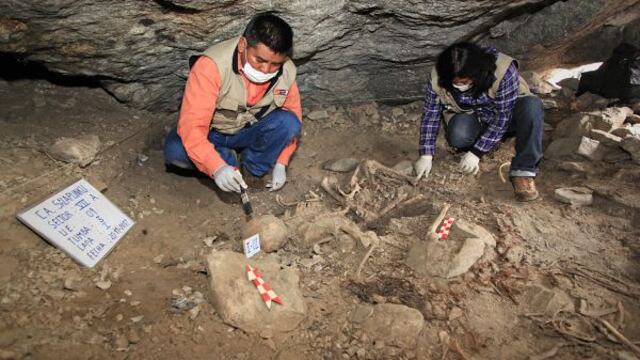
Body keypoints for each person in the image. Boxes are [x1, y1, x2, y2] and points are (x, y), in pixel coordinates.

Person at [164, 13, 302, 193]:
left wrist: (282, 162)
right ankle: (223, 160)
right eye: (259, 60)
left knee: (288, 122)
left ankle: (252, 169)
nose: (266, 69)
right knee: (176, 151)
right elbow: (192, 126)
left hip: (247, 131)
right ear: (243, 45)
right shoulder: (211, 66)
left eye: (275, 64)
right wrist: (216, 167)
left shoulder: (287, 71)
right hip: (211, 133)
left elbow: (294, 117)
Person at [414, 42, 544, 202]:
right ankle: (489, 140)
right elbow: (431, 114)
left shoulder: (503, 70)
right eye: (455, 83)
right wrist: (426, 155)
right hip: (474, 114)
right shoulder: (439, 76)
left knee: (532, 106)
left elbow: (502, 117)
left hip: (507, 113)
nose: (459, 86)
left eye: (465, 82)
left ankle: (523, 171)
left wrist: (476, 152)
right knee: (458, 136)